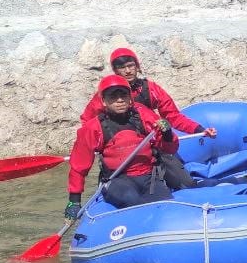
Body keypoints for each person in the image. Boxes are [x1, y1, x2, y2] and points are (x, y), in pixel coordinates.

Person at [80, 48, 216, 189]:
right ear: (115, 70)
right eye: (122, 67)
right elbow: (87, 123)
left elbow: (173, 116)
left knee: (186, 184)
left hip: (152, 145)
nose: (127, 71)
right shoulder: (106, 94)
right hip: (121, 150)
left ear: (137, 66)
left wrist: (200, 130)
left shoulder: (150, 89)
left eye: (131, 66)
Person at [66, 75, 179, 216]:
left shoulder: (144, 116)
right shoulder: (93, 128)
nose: (120, 100)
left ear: (130, 98)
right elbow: (79, 166)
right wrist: (74, 201)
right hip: (117, 180)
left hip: (148, 177)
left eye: (123, 95)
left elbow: (170, 149)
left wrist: (168, 133)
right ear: (104, 101)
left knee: (165, 205)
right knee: (133, 201)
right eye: (113, 96)